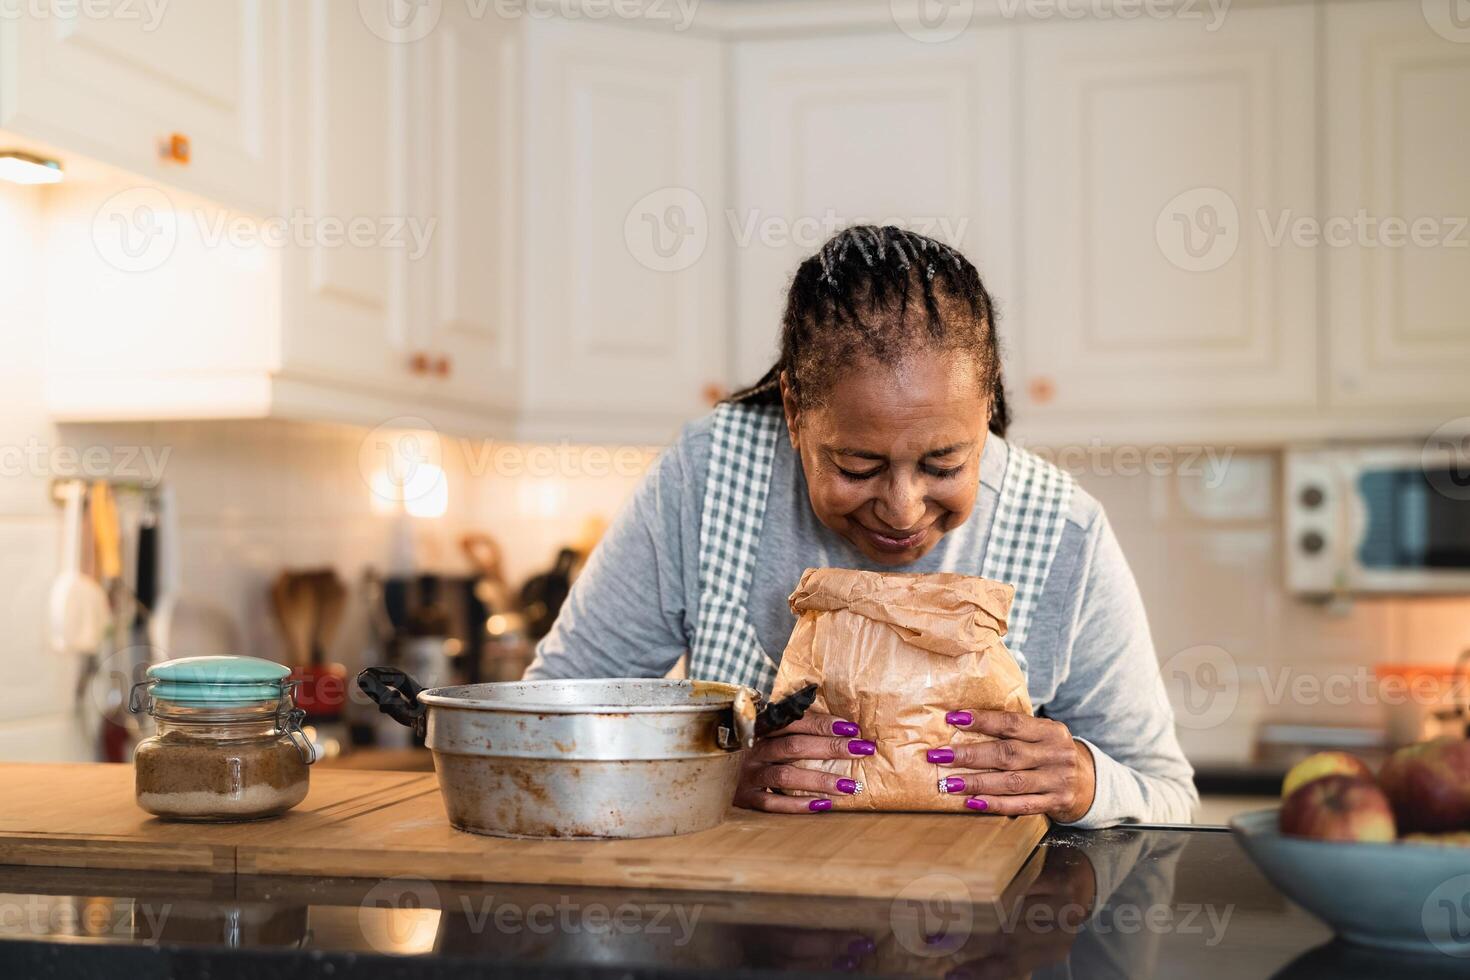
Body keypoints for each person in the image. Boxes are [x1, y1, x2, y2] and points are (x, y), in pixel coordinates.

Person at [526, 225, 1196, 828]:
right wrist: (707, 768)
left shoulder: (1061, 532)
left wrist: (1083, 780)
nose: (902, 507)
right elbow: (545, 720)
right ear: (793, 411)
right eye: (857, 464)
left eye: (944, 462)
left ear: (985, 406)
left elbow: (1168, 793)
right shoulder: (707, 479)